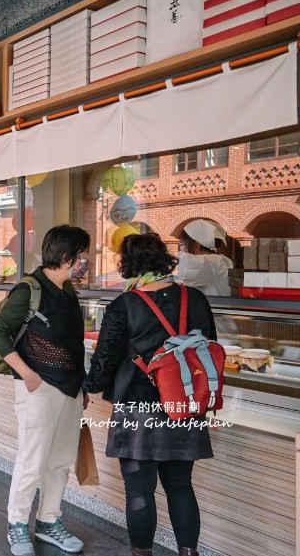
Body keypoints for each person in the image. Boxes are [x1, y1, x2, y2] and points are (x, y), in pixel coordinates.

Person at [84, 234, 216, 556]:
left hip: (138, 409)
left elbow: (102, 367)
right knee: (181, 486)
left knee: (139, 490)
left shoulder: (124, 305)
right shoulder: (195, 299)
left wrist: (85, 386)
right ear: (164, 260)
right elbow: (209, 348)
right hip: (185, 406)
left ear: (128, 265)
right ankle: (188, 552)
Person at [0, 225, 90, 556]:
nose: (84, 261)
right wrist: (29, 376)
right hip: (39, 388)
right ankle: (17, 524)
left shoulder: (69, 291)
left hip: (71, 389)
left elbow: (74, 343)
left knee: (59, 461)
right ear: (64, 257)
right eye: (81, 255)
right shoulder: (28, 290)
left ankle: (48, 522)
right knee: (32, 459)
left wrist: (82, 384)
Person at [175, 219, 232, 297]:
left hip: (214, 308)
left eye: (184, 244)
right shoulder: (217, 261)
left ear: (197, 246)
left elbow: (184, 263)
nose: (183, 249)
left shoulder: (213, 262)